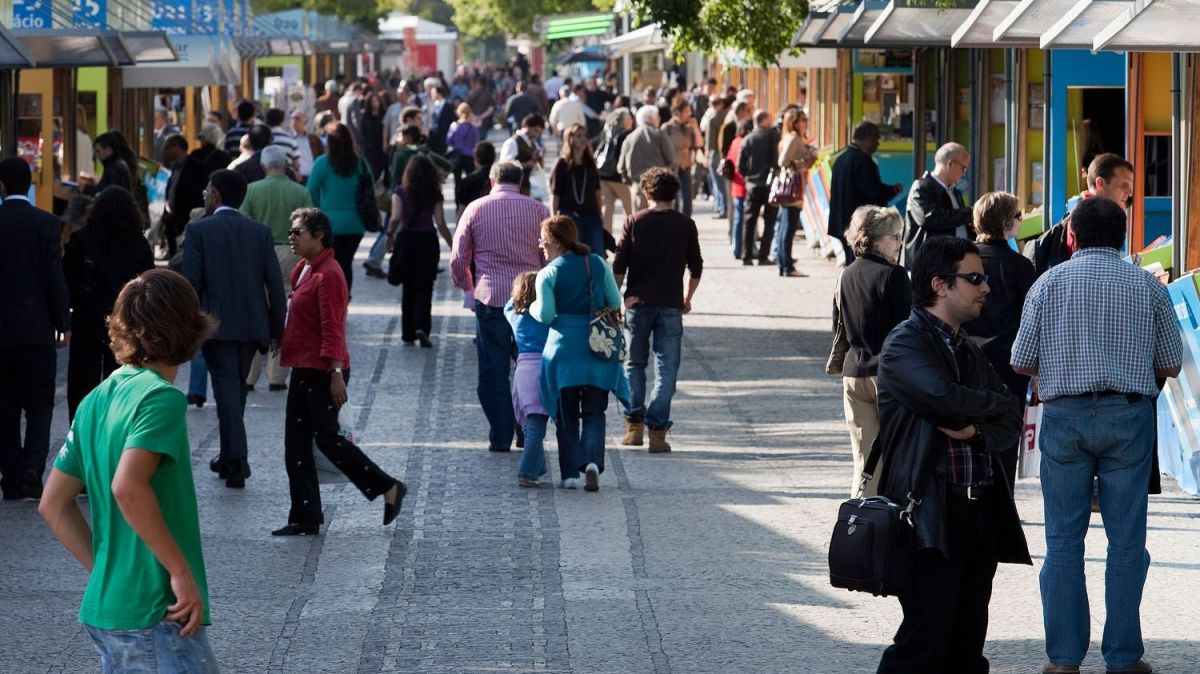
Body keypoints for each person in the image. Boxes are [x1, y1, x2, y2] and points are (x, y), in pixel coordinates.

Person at [1011, 197, 1181, 674]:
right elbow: (1170, 362)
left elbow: (1021, 360)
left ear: (1071, 236)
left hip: (1064, 417)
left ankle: (1063, 658)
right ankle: (1123, 656)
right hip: (1128, 417)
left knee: (1063, 540)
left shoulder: (1047, 283)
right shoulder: (1147, 287)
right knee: (1127, 542)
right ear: (1123, 237)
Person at [38, 269, 220, 673]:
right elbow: (128, 487)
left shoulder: (96, 399)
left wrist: (107, 570)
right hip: (157, 612)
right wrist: (180, 573)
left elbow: (52, 504)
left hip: (110, 608)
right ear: (187, 326)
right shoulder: (161, 398)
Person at [875, 236, 1031, 673]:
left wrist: (975, 428)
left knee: (966, 648)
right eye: (975, 278)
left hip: (978, 510)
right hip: (929, 513)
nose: (986, 287)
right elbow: (941, 397)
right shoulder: (904, 343)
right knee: (923, 644)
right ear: (940, 284)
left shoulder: (964, 346)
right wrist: (988, 406)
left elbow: (1010, 415)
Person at [273, 208, 407, 537]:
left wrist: (335, 371)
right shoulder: (304, 269)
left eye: (297, 232)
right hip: (304, 366)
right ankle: (305, 517)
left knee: (328, 439)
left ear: (319, 236)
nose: (291, 237)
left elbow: (333, 327)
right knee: (297, 446)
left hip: (323, 369)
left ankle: (388, 487)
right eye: (290, 231)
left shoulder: (329, 274)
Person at [181, 169, 286, 489]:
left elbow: (191, 283)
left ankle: (238, 459)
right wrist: (277, 327)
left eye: (207, 190)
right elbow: (275, 284)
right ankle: (228, 457)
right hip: (252, 325)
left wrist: (188, 324)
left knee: (227, 388)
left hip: (216, 325)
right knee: (234, 388)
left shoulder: (199, 230)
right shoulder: (259, 232)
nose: (203, 196)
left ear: (216, 195)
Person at [450, 162, 548, 452]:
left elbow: (458, 258)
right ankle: (526, 428)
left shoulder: (475, 209)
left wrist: (467, 284)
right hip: (529, 301)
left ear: (491, 181)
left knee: (493, 371)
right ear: (520, 181)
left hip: (490, 298)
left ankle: (501, 433)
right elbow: (548, 255)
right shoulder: (539, 210)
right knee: (528, 366)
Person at [531, 216, 629, 491]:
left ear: (554, 241)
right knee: (595, 413)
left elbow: (546, 314)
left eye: (543, 239)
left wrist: (531, 309)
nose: (540, 245)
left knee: (567, 416)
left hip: (564, 352)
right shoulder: (596, 262)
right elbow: (614, 300)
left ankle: (570, 474)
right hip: (597, 348)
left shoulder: (547, 274)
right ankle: (592, 462)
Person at [612, 168, 702, 452]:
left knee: (634, 365)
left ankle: (634, 426)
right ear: (674, 194)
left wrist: (616, 299)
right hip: (671, 305)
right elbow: (696, 266)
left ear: (646, 193)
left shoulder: (634, 222)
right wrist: (687, 297)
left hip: (637, 305)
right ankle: (658, 432)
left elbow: (618, 266)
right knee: (667, 370)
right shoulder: (685, 224)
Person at [825, 206, 909, 496]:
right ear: (874, 239)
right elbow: (906, 331)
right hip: (888, 376)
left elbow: (839, 326)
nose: (899, 242)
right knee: (898, 456)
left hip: (853, 373)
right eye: (894, 236)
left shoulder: (845, 275)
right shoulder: (895, 276)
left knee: (864, 460)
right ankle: (886, 523)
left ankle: (859, 519)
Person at [0, 157, 70, 501]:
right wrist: (63, 322)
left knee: (4, 406)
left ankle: (10, 476)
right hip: (36, 330)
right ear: (28, 184)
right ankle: (32, 470)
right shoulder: (47, 224)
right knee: (40, 404)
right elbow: (53, 278)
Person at [960, 191, 1035, 489]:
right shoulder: (1019, 266)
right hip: (1008, 363)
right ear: (1006, 223)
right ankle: (1001, 500)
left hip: (965, 360)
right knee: (1005, 437)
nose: (1020, 221)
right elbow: (1031, 319)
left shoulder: (961, 261)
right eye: (1018, 216)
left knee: (966, 429)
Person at [63, 186, 155, 421]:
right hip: (126, 322)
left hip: (88, 319)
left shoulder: (82, 239)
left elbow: (67, 280)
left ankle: (81, 431)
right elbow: (148, 283)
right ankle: (116, 430)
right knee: (121, 381)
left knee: (83, 382)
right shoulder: (139, 244)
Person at [239, 145, 314, 391]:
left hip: (260, 252)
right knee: (285, 311)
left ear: (263, 166)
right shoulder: (300, 191)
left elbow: (242, 222)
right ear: (286, 165)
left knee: (256, 306)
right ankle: (277, 375)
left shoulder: (251, 190)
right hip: (292, 252)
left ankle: (249, 375)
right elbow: (311, 224)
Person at [1025, 153, 1135, 276]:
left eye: (1131, 187)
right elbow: (1093, 271)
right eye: (1124, 185)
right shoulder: (1089, 219)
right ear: (1100, 183)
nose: (1130, 193)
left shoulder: (1077, 210)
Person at [386, 155, 454, 347]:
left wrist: (389, 236)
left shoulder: (400, 192)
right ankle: (422, 327)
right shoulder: (435, 193)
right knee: (425, 287)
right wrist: (452, 244)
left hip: (406, 241)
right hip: (427, 242)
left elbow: (395, 218)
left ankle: (407, 332)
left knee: (408, 288)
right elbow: (440, 223)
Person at [307, 122, 374, 293]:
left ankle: (331, 302)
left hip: (329, 224)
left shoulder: (322, 163)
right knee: (346, 264)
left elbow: (311, 190)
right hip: (356, 224)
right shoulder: (361, 164)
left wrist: (318, 212)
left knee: (329, 266)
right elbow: (371, 189)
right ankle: (343, 301)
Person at [829, 121, 902, 264]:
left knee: (852, 262)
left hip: (842, 221)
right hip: (858, 224)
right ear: (869, 137)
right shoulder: (863, 160)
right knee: (859, 263)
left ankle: (850, 285)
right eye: (877, 138)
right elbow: (873, 191)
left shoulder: (841, 158)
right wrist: (893, 190)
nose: (878, 143)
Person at [506, 272, 551, 487]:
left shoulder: (514, 315)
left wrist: (518, 294)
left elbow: (508, 307)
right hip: (541, 370)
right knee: (537, 424)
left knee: (529, 423)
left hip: (522, 372)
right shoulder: (547, 317)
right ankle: (527, 471)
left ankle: (538, 466)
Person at [904, 142, 973, 267]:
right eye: (963, 168)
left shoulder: (954, 192)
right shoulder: (921, 188)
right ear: (950, 164)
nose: (964, 173)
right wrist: (970, 213)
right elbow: (929, 218)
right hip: (929, 262)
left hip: (953, 259)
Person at [775, 107, 818, 277]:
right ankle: (787, 266)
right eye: (802, 120)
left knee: (785, 226)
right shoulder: (794, 138)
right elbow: (783, 161)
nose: (805, 123)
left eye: (806, 120)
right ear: (794, 122)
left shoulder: (790, 137)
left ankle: (784, 263)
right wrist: (808, 158)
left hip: (790, 188)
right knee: (788, 227)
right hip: (793, 188)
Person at [551, 123, 604, 255]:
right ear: (570, 139)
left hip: (591, 215)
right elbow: (555, 193)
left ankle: (596, 276)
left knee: (596, 252)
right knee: (574, 252)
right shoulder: (562, 164)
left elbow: (597, 190)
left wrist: (600, 213)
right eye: (578, 136)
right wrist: (554, 217)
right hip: (570, 215)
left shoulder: (590, 163)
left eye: (584, 136)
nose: (583, 139)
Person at [738, 111, 779, 267]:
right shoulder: (771, 137)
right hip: (769, 185)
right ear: (763, 120)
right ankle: (763, 256)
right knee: (769, 222)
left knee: (749, 222)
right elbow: (776, 161)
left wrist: (748, 178)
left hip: (753, 186)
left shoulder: (747, 139)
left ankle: (746, 256)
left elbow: (740, 166)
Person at [617, 106, 677, 211]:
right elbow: (673, 161)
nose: (659, 119)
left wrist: (632, 183)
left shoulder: (629, 138)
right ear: (651, 118)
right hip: (660, 191)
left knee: (640, 223)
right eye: (658, 117)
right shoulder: (659, 135)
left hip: (638, 189)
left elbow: (621, 167)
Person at [160, 134, 208, 259]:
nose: (164, 152)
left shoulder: (196, 167)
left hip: (188, 217)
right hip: (174, 217)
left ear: (176, 147)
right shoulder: (175, 167)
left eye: (166, 148)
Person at [659, 100, 704, 218]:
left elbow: (699, 144)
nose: (689, 114)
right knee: (675, 198)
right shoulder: (667, 128)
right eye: (686, 111)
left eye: (690, 111)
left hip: (686, 165)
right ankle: (674, 221)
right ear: (677, 113)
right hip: (672, 166)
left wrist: (695, 128)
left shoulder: (689, 128)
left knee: (687, 197)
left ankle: (686, 221)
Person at [596, 108, 635, 235]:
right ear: (624, 121)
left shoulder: (606, 131)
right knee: (630, 209)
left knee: (607, 209)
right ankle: (632, 235)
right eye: (629, 118)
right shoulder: (626, 135)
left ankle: (606, 239)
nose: (631, 121)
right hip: (619, 178)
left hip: (603, 175)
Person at [498, 114, 546, 195]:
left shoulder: (533, 143)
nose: (537, 134)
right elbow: (504, 166)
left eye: (539, 132)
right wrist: (526, 164)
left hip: (528, 186)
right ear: (527, 126)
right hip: (514, 188)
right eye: (535, 130)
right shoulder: (512, 142)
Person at [727, 118, 753, 260]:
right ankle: (742, 248)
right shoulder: (745, 142)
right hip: (743, 184)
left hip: (736, 184)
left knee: (738, 219)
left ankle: (737, 248)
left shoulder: (735, 141)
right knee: (744, 219)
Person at [701, 95, 729, 218]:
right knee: (723, 182)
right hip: (727, 152)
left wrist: (707, 156)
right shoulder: (728, 117)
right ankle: (723, 207)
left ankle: (722, 208)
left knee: (718, 182)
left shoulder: (713, 120)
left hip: (716, 153)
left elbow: (710, 141)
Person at [455, 141, 495, 213]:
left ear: (476, 159)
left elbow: (462, 209)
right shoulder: (500, 179)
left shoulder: (467, 181)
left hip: (475, 220)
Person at [446, 102, 480, 184]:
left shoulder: (454, 126)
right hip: (469, 156)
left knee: (457, 181)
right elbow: (476, 143)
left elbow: (448, 140)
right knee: (471, 179)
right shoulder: (473, 128)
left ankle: (458, 196)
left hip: (457, 156)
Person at [358, 92, 388, 179]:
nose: (375, 103)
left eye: (376, 100)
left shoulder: (384, 114)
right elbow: (363, 132)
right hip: (370, 148)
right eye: (372, 101)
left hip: (382, 147)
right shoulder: (366, 116)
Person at [265, 107, 300, 174]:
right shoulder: (290, 138)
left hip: (265, 176)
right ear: (282, 121)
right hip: (286, 176)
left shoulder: (263, 137)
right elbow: (296, 163)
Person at [291, 109, 320, 182]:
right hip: (295, 178)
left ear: (305, 121)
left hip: (312, 176)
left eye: (297, 118)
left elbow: (320, 156)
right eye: (293, 118)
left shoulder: (314, 139)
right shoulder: (289, 139)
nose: (294, 121)